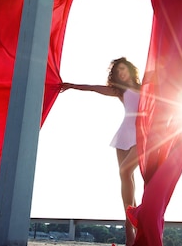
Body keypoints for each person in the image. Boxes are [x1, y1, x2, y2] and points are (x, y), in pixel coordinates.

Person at [60, 57, 142, 246]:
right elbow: (94, 87)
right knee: (125, 179)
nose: (121, 73)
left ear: (130, 70)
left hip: (142, 136)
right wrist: (73, 86)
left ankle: (134, 229)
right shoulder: (120, 91)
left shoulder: (145, 86)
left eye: (123, 69)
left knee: (125, 171)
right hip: (123, 135)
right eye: (117, 71)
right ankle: (131, 231)